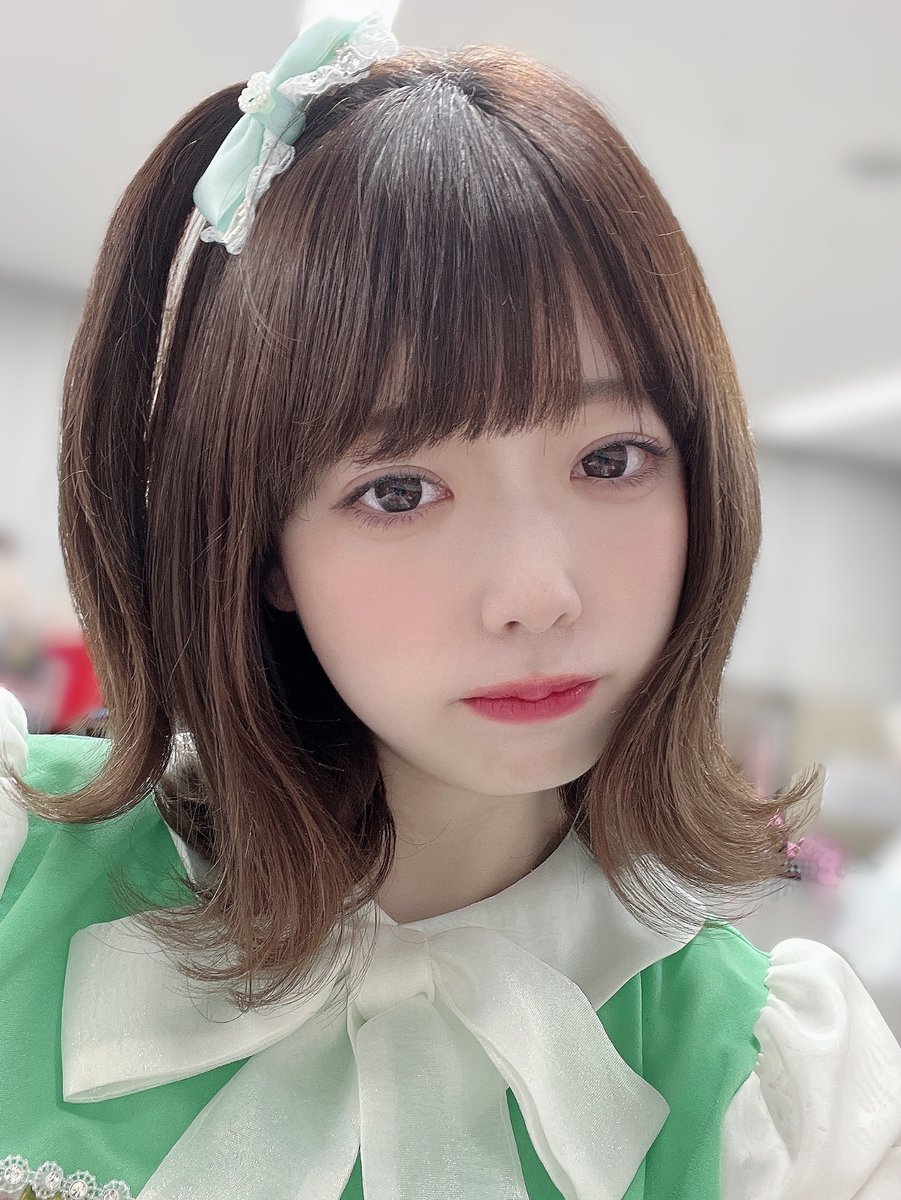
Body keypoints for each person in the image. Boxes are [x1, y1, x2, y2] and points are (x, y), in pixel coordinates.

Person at [0, 5, 899, 1198]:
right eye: (399, 490)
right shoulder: (17, 868)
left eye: (612, 460)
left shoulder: (773, 1101)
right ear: (261, 543)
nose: (537, 594)